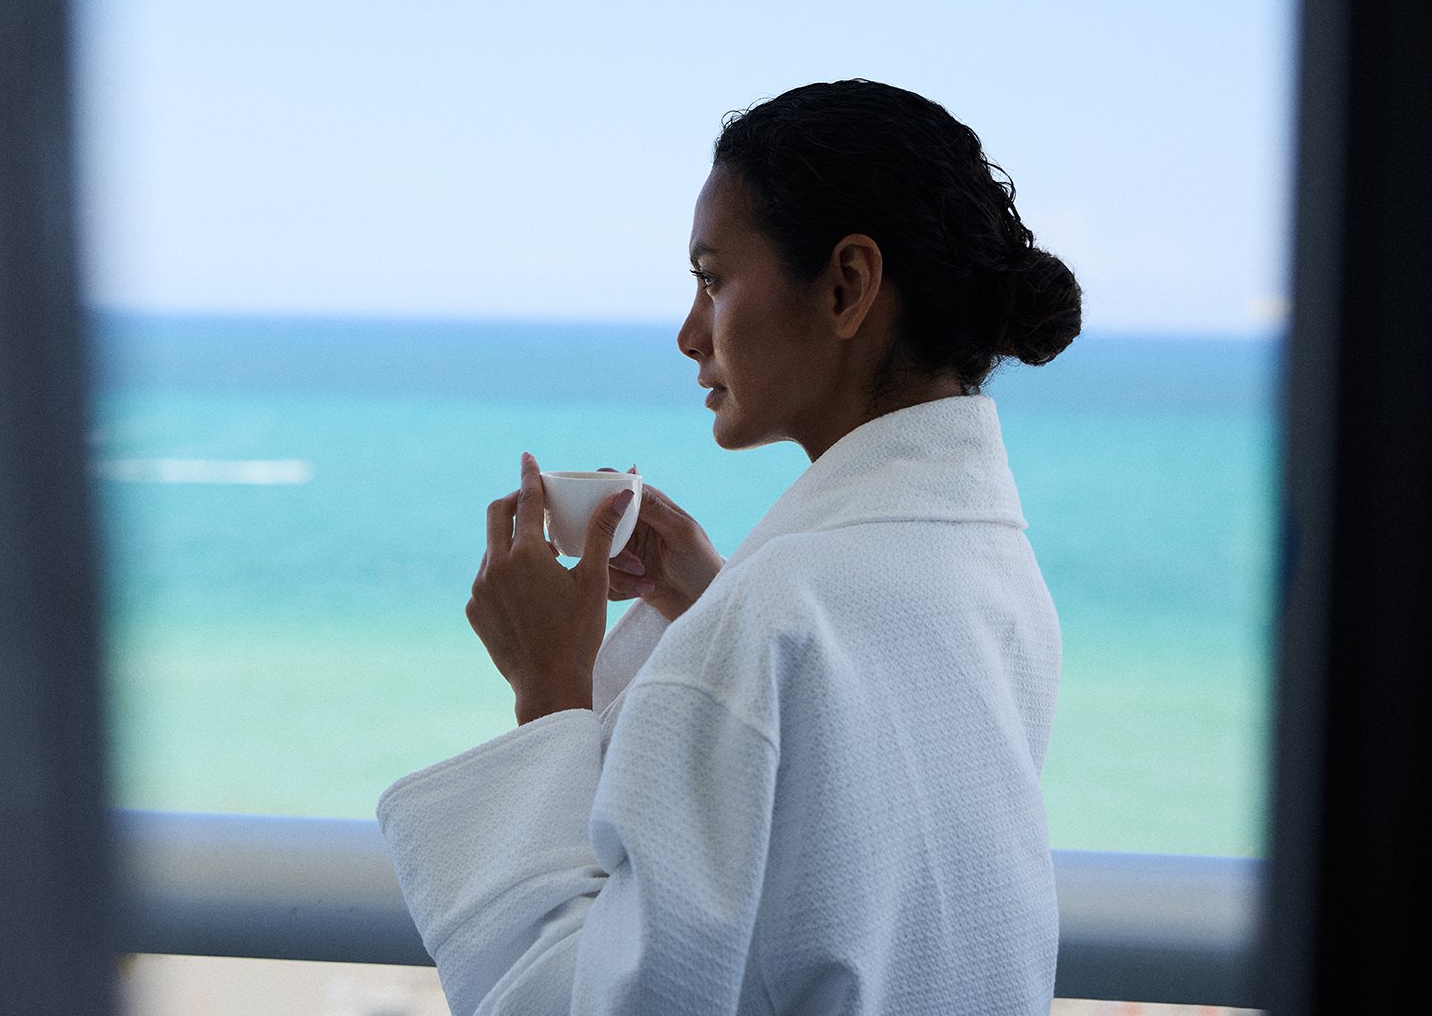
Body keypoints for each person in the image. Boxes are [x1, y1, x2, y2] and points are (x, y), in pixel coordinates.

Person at [377, 80, 1081, 1015]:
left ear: (847, 286)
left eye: (712, 279)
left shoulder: (776, 612)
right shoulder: (994, 574)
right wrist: (712, 593)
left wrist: (548, 683)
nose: (688, 333)